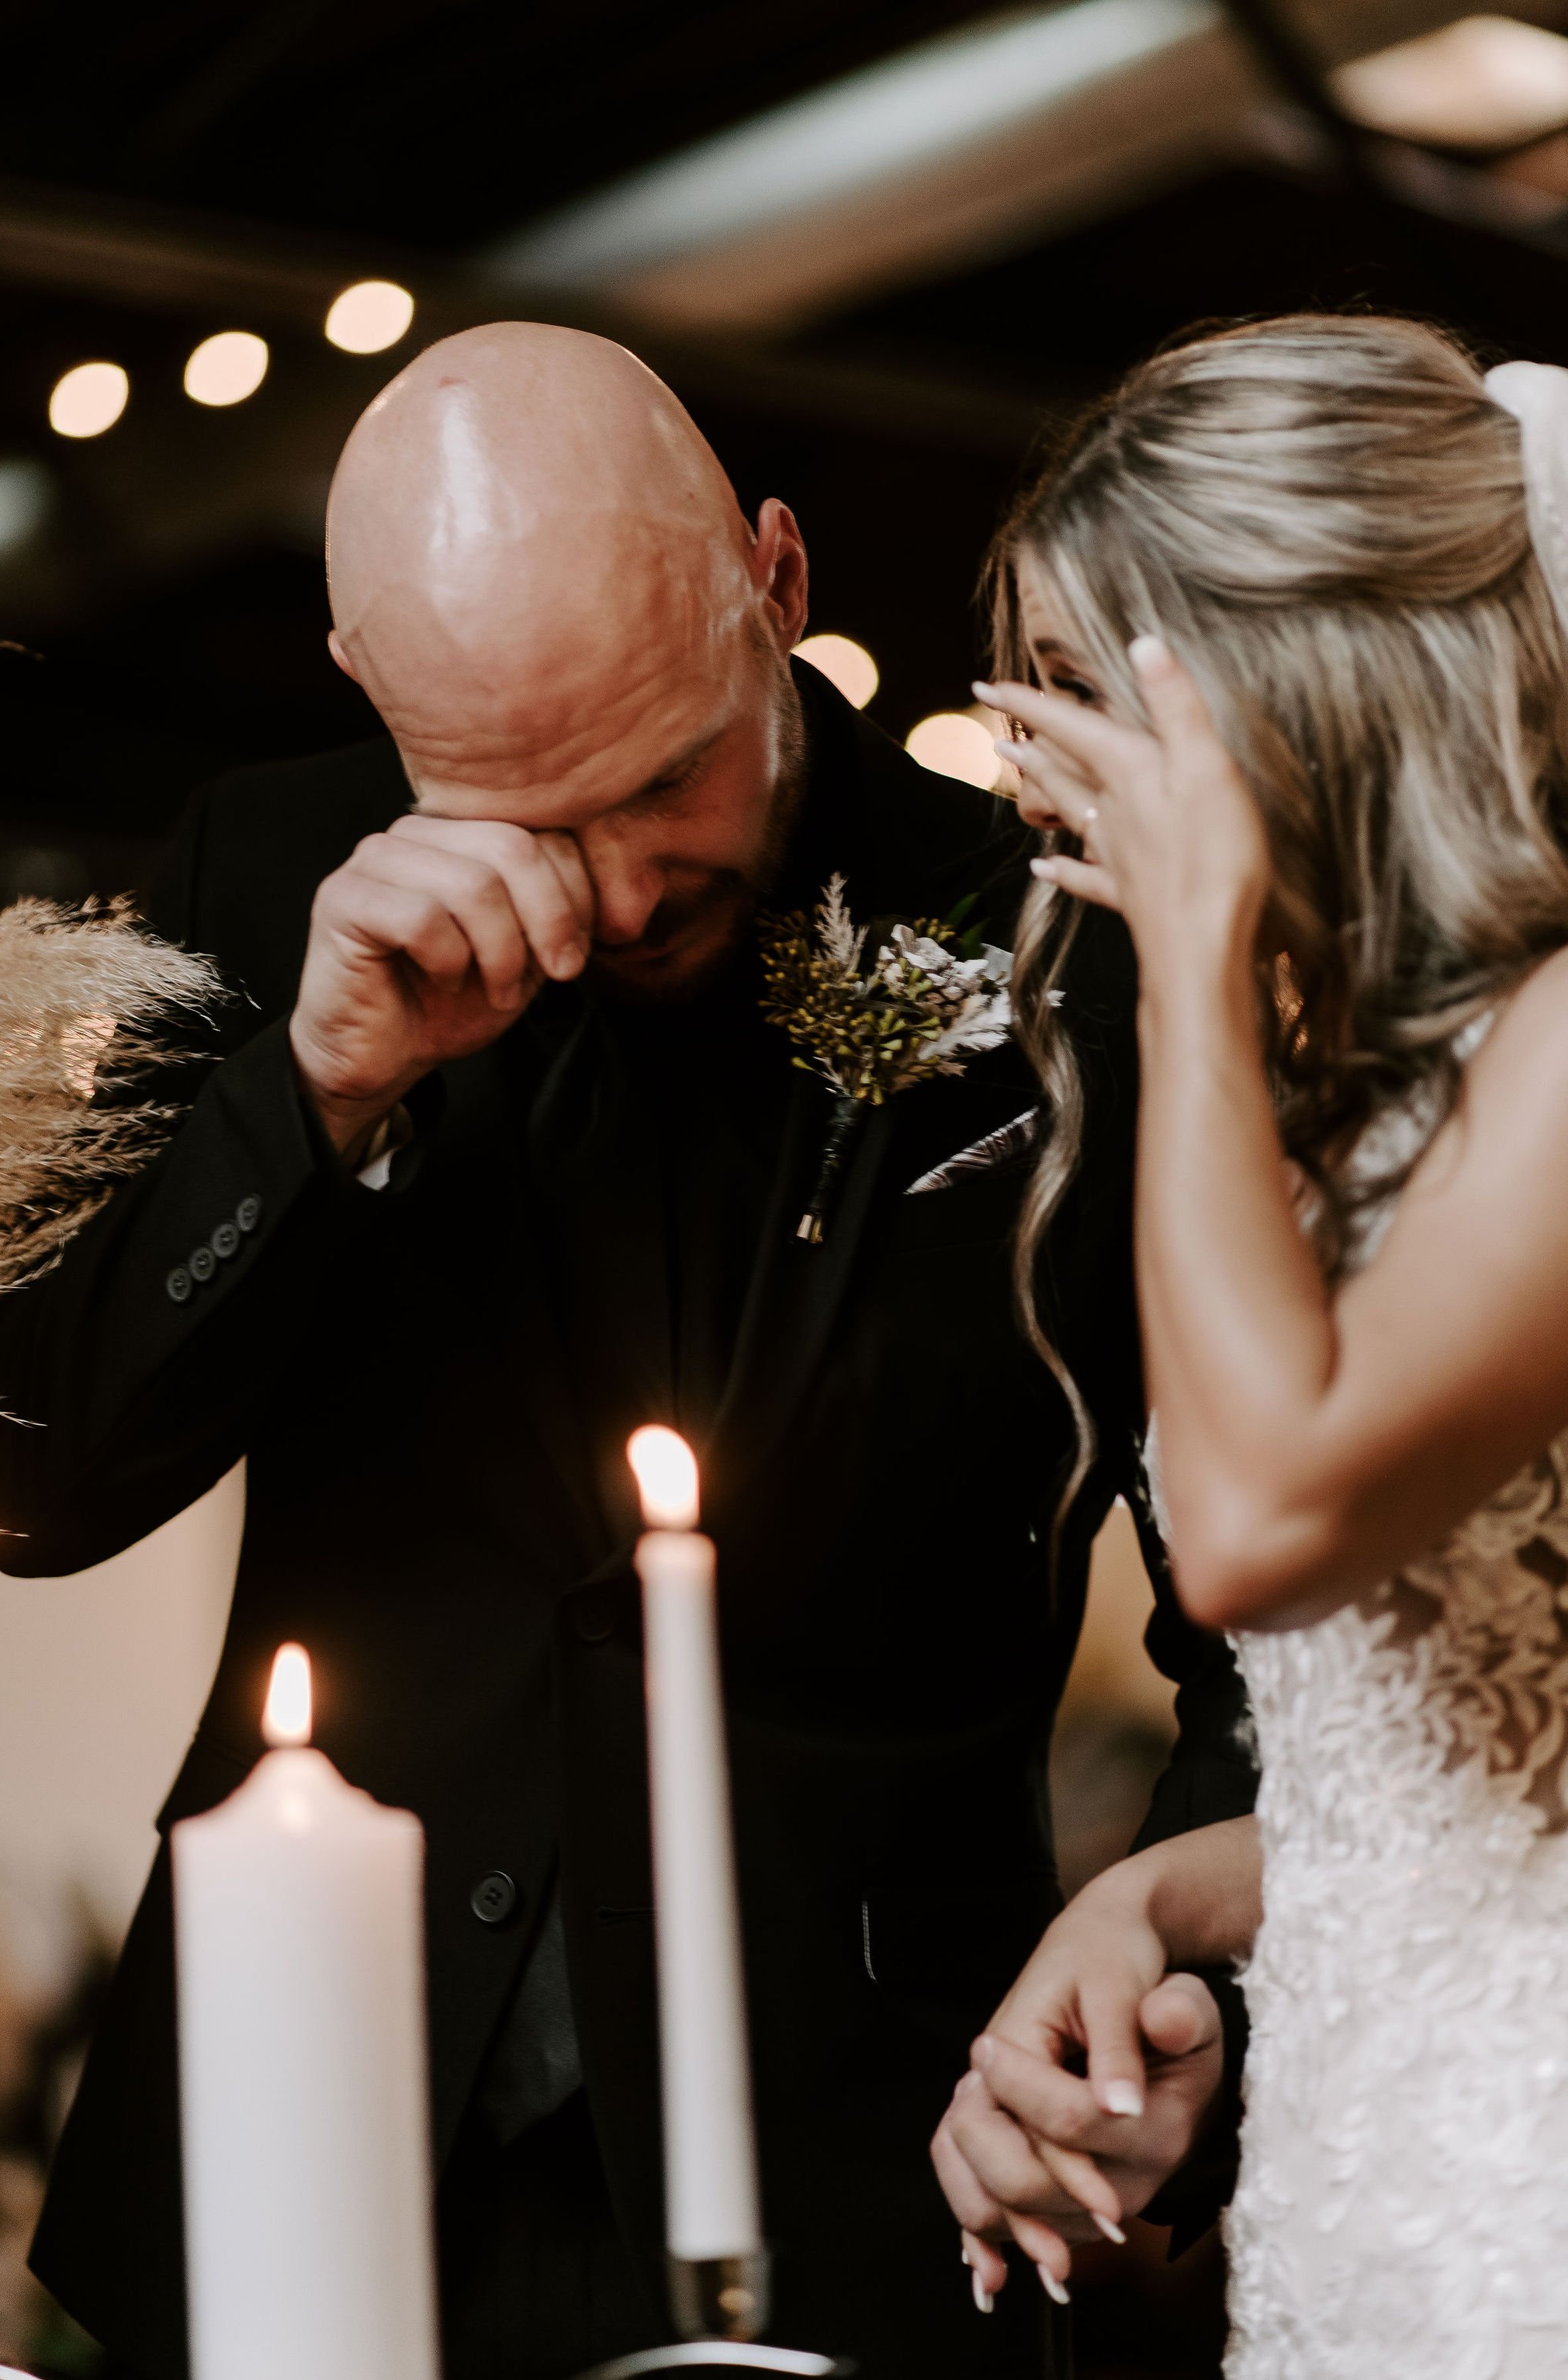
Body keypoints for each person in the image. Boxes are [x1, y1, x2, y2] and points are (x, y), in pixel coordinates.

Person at [0, 323, 1256, 2380]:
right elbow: (34, 1475)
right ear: (370, 697)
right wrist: (308, 1091)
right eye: (523, 814)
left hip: (872, 2169)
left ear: (776, 579)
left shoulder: (1065, 948)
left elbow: (1276, 1621)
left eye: (672, 773)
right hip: (301, 2139)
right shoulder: (258, 866)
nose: (616, 889)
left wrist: (1197, 1999)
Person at [957, 311, 1568, 2375]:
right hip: (1359, 2209)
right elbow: (1479, 1783)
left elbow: (1255, 1516)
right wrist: (1156, 1900)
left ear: (1296, 687)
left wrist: (1200, 960)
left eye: (1089, 701)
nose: (1045, 779)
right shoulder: (1341, 1095)